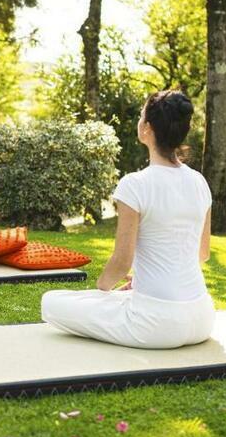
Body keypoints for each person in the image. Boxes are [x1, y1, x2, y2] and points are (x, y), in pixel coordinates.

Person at [40, 90, 215, 348]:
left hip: (154, 325)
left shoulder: (134, 184)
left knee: (50, 301)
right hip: (202, 318)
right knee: (120, 298)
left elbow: (122, 263)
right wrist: (145, 281)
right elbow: (202, 253)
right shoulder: (199, 182)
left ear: (147, 129)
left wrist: (102, 290)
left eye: (141, 116)